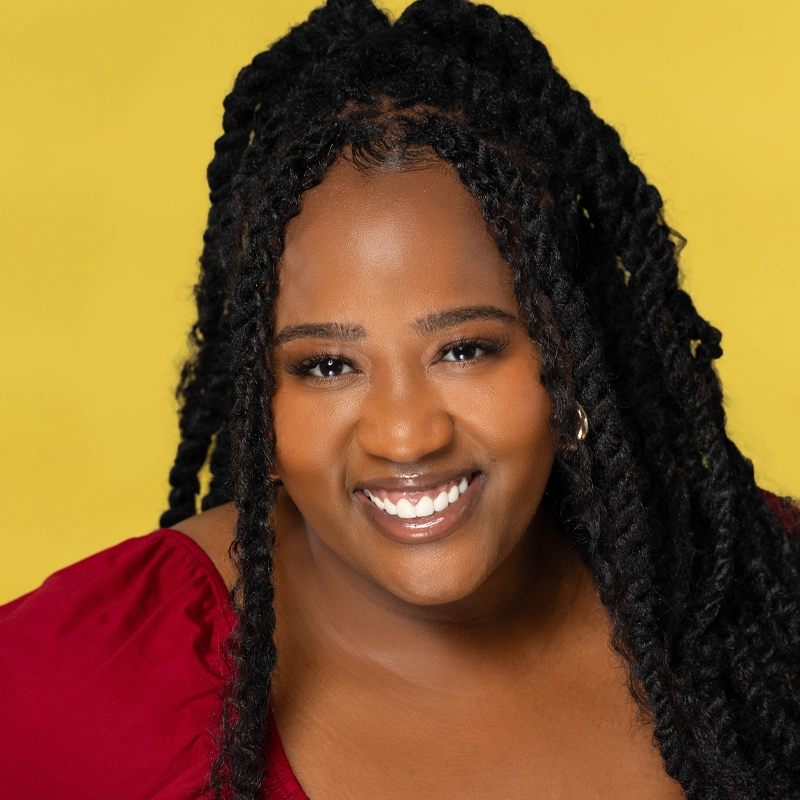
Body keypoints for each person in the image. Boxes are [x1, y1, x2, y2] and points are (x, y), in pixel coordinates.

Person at [1, 0, 798, 798]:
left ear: (567, 349)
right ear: (258, 395)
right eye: (325, 366)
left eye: (465, 349)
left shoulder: (758, 604)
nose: (407, 437)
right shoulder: (90, 677)